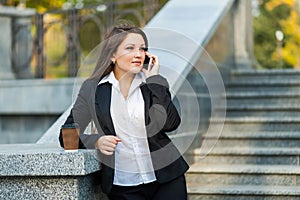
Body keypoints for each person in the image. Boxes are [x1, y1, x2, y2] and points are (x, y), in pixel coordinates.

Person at [59, 23, 189, 200]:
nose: (138, 54)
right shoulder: (93, 89)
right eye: (130, 48)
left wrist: (155, 81)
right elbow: (66, 136)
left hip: (166, 178)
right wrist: (96, 141)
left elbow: (171, 124)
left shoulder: (152, 84)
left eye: (142, 49)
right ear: (113, 55)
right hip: (123, 185)